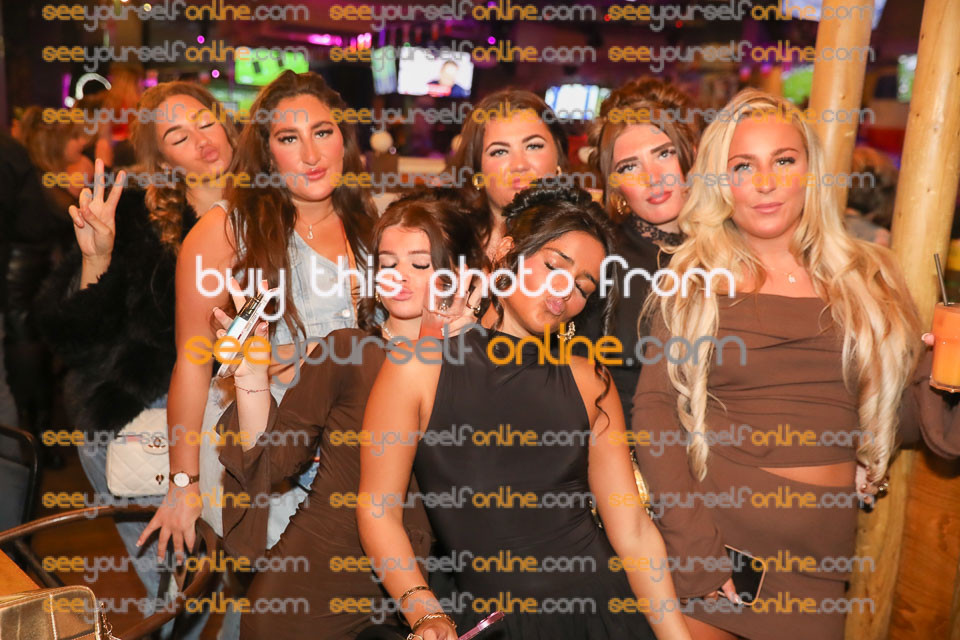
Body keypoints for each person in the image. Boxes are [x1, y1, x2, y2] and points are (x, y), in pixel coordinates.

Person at [633, 89, 960, 640]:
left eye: (783, 161)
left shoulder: (869, 277)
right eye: (743, 166)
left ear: (811, 173)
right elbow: (654, 413)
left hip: (820, 563)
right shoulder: (694, 279)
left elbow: (895, 423)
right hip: (720, 548)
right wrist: (695, 549)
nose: (765, 182)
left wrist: (941, 377)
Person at [358, 185, 693, 640]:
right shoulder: (419, 368)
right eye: (554, 266)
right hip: (494, 622)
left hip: (602, 612)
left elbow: (633, 530)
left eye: (583, 286)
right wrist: (424, 612)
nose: (564, 290)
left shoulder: (590, 381)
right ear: (505, 252)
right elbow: (377, 510)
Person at [213, 189, 485, 638]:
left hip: (425, 596)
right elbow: (273, 462)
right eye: (388, 263)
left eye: (420, 264)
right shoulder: (349, 352)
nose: (399, 277)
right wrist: (251, 376)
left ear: (458, 275)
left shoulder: (483, 367)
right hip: (309, 594)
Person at [140, 70, 378, 568]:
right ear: (268, 154)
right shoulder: (227, 230)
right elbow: (192, 362)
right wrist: (183, 483)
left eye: (323, 132)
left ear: (344, 139)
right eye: (289, 139)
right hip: (273, 470)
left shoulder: (368, 222)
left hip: (365, 464)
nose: (311, 155)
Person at [36, 80, 237, 637]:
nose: (201, 140)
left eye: (205, 121)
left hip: (246, 418)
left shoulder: (274, 206)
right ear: (160, 157)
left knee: (252, 583)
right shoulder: (134, 216)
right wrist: (96, 259)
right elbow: (73, 336)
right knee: (180, 595)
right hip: (139, 418)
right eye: (178, 135)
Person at [580, 77, 703, 420]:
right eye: (629, 167)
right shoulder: (600, 259)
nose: (652, 177)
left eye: (664, 154)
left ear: (691, 154)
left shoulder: (731, 248)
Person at [451, 89, 568, 257]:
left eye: (533, 146)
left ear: (558, 155)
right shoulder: (447, 242)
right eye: (499, 152)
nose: (519, 165)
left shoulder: (588, 240)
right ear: (477, 170)